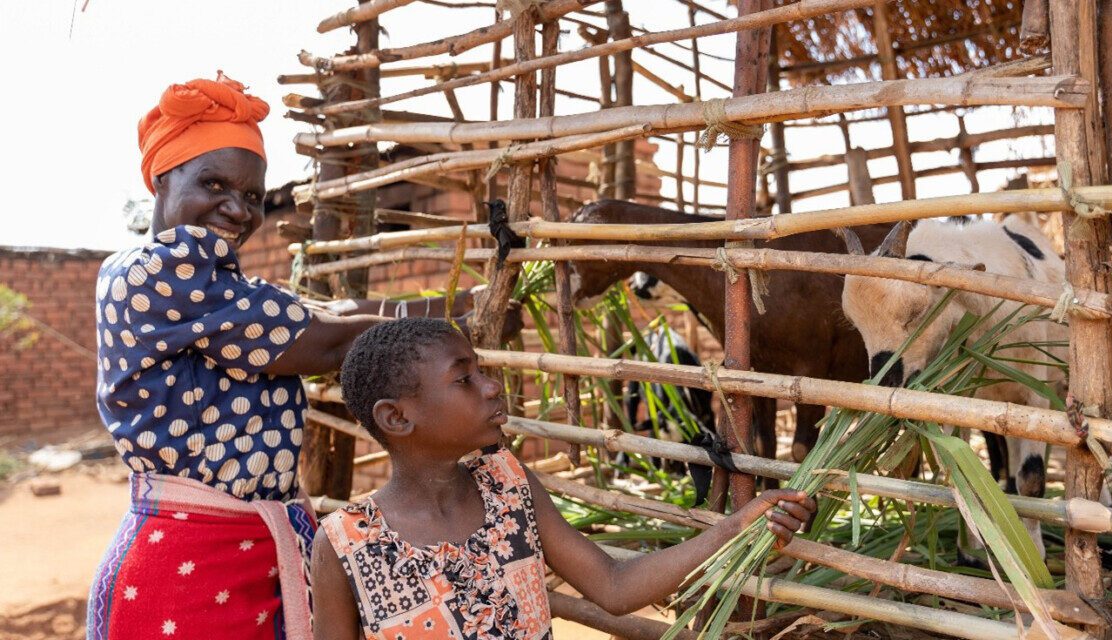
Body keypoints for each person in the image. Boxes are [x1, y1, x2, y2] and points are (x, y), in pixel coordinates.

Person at [87, 71, 399, 640]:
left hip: (235, 553)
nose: (238, 210)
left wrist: (444, 307)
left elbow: (321, 315)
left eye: (253, 196)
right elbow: (325, 338)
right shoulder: (163, 269)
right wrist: (449, 324)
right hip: (190, 570)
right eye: (214, 185)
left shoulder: (205, 288)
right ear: (162, 179)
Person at [311, 318, 817, 640]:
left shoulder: (508, 486)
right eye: (464, 378)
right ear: (397, 418)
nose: (492, 387)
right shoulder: (345, 543)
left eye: (482, 370)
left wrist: (736, 526)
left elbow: (615, 587)